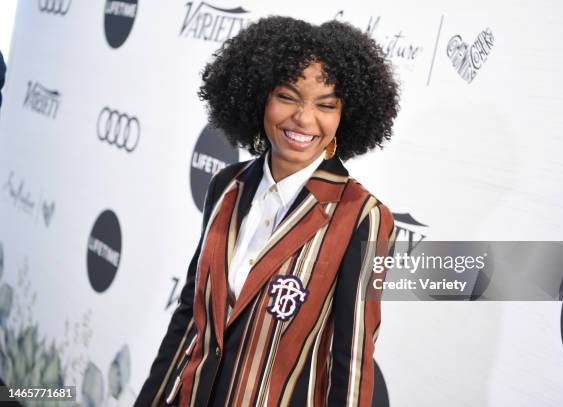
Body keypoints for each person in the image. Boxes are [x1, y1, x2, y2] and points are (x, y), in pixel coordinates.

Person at [136, 16, 399, 406]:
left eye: (326, 104)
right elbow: (190, 318)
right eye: (288, 97)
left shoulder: (363, 217)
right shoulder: (226, 185)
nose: (304, 119)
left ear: (346, 116)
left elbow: (352, 359)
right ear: (259, 96)